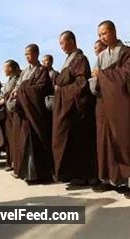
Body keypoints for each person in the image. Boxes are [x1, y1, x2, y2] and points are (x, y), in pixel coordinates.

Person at [90, 21, 130, 198]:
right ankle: (111, 180)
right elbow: (93, 79)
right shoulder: (101, 55)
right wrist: (97, 81)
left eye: (104, 33)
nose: (102, 37)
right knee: (105, 141)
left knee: (124, 140)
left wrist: (102, 75)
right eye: (99, 35)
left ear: (113, 31)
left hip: (121, 102)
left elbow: (126, 75)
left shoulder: (126, 52)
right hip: (103, 103)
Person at [52, 31, 97, 189]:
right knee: (68, 140)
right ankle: (75, 174)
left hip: (76, 108)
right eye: (60, 44)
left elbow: (81, 83)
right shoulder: (68, 60)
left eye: (63, 43)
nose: (62, 47)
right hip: (66, 106)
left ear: (72, 41)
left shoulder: (80, 59)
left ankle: (87, 176)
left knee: (81, 142)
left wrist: (62, 92)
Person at [9, 44, 54, 184]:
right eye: (25, 54)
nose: (27, 57)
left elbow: (41, 88)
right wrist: (15, 92)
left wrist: (22, 92)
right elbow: (18, 86)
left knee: (34, 143)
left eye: (29, 54)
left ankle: (37, 175)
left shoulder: (42, 70)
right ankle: (25, 173)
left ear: (36, 54)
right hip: (24, 112)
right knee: (23, 142)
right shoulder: (24, 72)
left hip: (35, 112)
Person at [0, 60, 21, 172]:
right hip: (7, 114)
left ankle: (15, 163)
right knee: (8, 138)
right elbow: (3, 93)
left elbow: (12, 94)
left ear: (10, 68)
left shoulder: (17, 79)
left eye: (5, 68)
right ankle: (10, 161)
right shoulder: (9, 80)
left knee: (15, 138)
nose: (4, 70)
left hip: (14, 112)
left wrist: (3, 100)